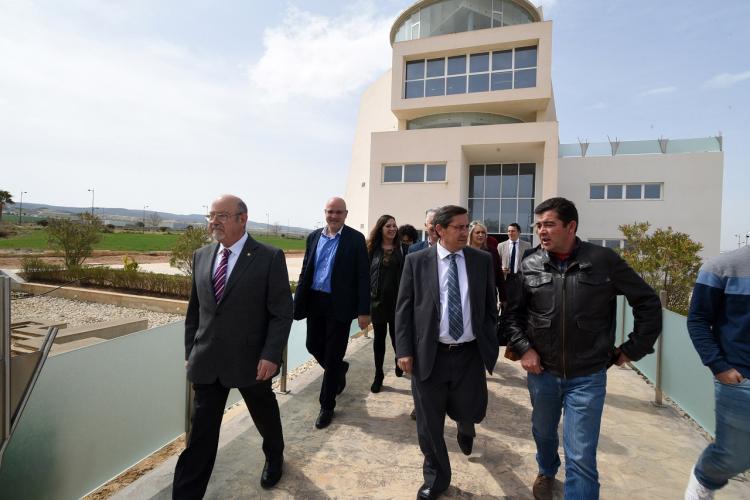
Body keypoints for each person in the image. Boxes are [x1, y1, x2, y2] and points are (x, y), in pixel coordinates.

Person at [504, 197, 662, 500]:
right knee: (544, 433)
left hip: (588, 376)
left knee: (581, 456)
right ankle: (547, 470)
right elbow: (512, 316)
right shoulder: (530, 263)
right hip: (543, 373)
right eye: (538, 225)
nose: (541, 231)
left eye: (549, 224)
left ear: (571, 226)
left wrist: (634, 348)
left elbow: (648, 302)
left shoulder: (603, 260)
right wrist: (524, 349)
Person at [173, 194, 293, 498]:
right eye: (211, 216)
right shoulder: (201, 255)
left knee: (264, 414)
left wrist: (271, 355)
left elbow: (281, 312)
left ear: (243, 219)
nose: (214, 222)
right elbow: (195, 311)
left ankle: (274, 455)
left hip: (251, 361)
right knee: (200, 436)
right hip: (207, 361)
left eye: (222, 216)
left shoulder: (269, 256)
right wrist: (191, 351)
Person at [396, 205, 499, 500]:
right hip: (430, 353)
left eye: (467, 226)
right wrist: (404, 349)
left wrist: (489, 338)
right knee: (429, 424)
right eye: (458, 227)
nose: (465, 232)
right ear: (439, 230)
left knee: (471, 408)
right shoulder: (416, 261)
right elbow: (403, 309)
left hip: (468, 354)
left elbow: (489, 307)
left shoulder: (481, 261)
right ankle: (437, 478)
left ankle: (465, 425)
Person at [293, 196, 370, 429]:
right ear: (324, 213)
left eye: (338, 212)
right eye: (330, 211)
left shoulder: (355, 240)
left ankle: (327, 405)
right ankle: (338, 369)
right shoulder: (313, 237)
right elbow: (306, 269)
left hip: (341, 304)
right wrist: (298, 300)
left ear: (346, 214)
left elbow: (363, 277)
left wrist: (364, 311)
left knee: (334, 353)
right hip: (315, 301)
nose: (334, 216)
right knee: (312, 345)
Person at [684, 245, 750, 500]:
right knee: (732, 456)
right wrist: (719, 366)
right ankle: (704, 478)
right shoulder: (722, 267)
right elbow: (698, 319)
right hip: (740, 379)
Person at [367, 215, 406, 393]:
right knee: (379, 341)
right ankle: (378, 375)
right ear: (381, 228)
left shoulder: (403, 249)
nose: (392, 229)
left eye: (394, 226)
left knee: (397, 337)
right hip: (377, 302)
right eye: (388, 226)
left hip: (398, 302)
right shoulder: (371, 249)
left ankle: (399, 359)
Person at [469, 220, 505, 303]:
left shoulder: (492, 251)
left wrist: (503, 297)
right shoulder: (464, 251)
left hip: (489, 295)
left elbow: (499, 274)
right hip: (470, 295)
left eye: (483, 233)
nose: (481, 235)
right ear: (471, 234)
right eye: (477, 233)